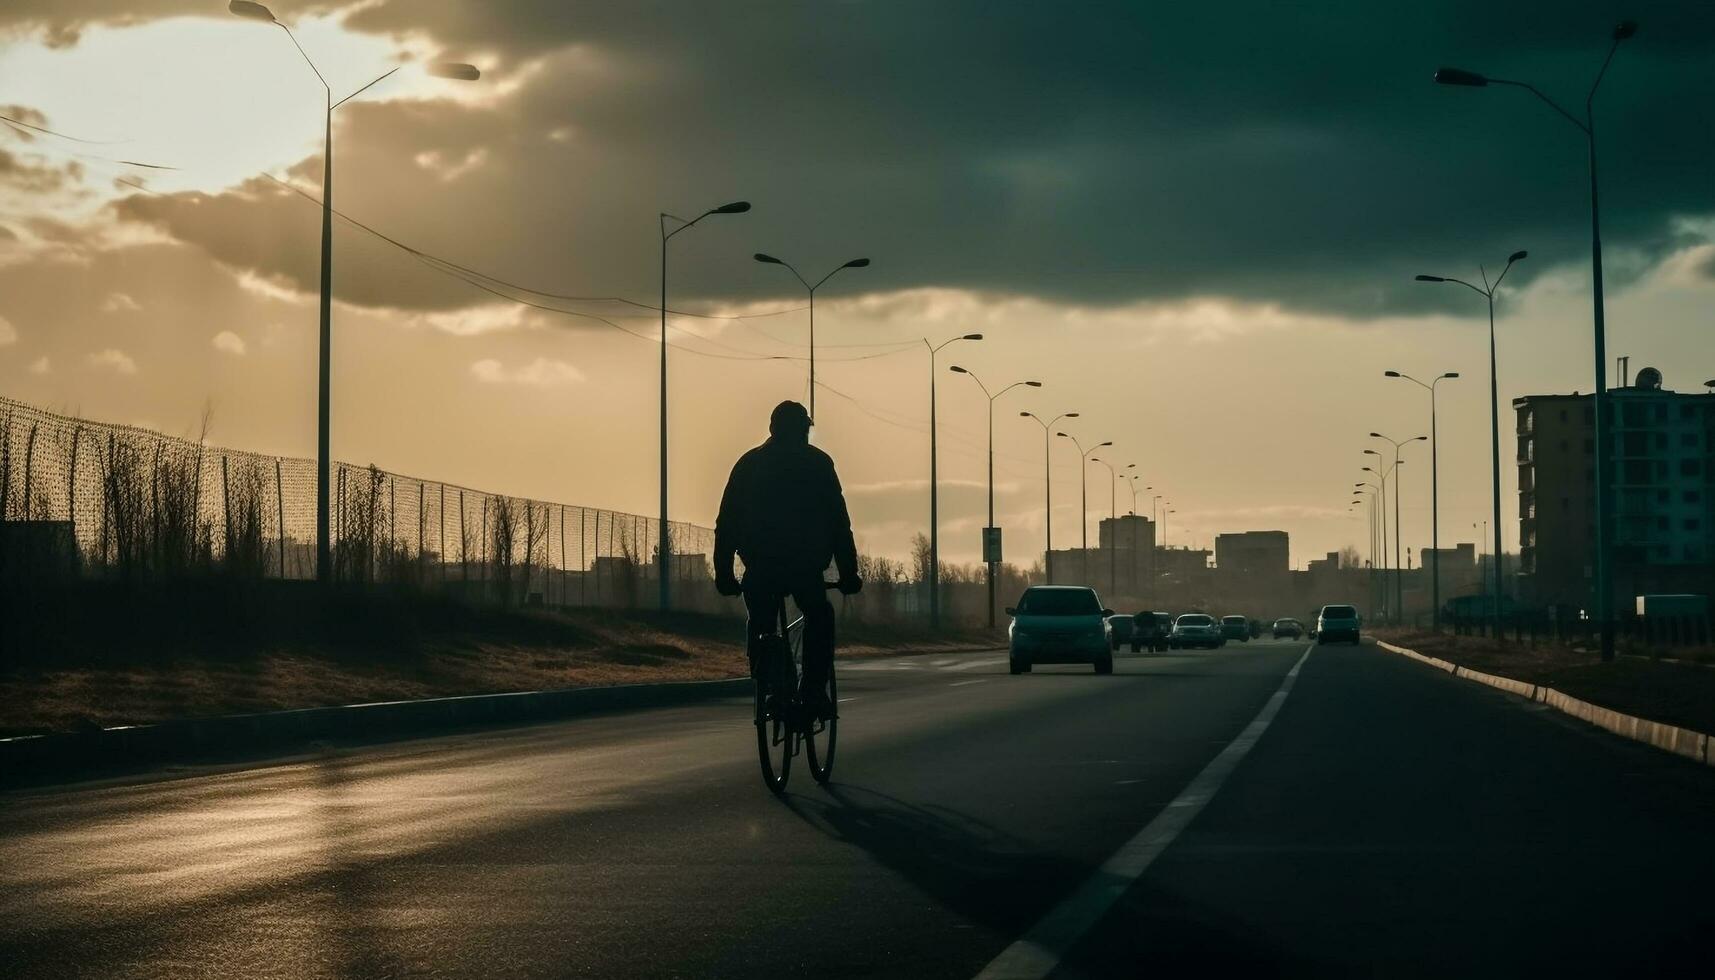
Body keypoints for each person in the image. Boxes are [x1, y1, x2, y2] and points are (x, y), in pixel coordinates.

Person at [715, 401, 861, 718]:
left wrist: (724, 573)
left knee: (761, 622)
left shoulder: (749, 464)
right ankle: (812, 692)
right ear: (803, 430)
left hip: (760, 566)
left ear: (772, 430)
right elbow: (839, 523)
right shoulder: (818, 464)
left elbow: (727, 523)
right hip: (804, 567)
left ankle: (772, 684)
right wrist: (849, 573)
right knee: (819, 616)